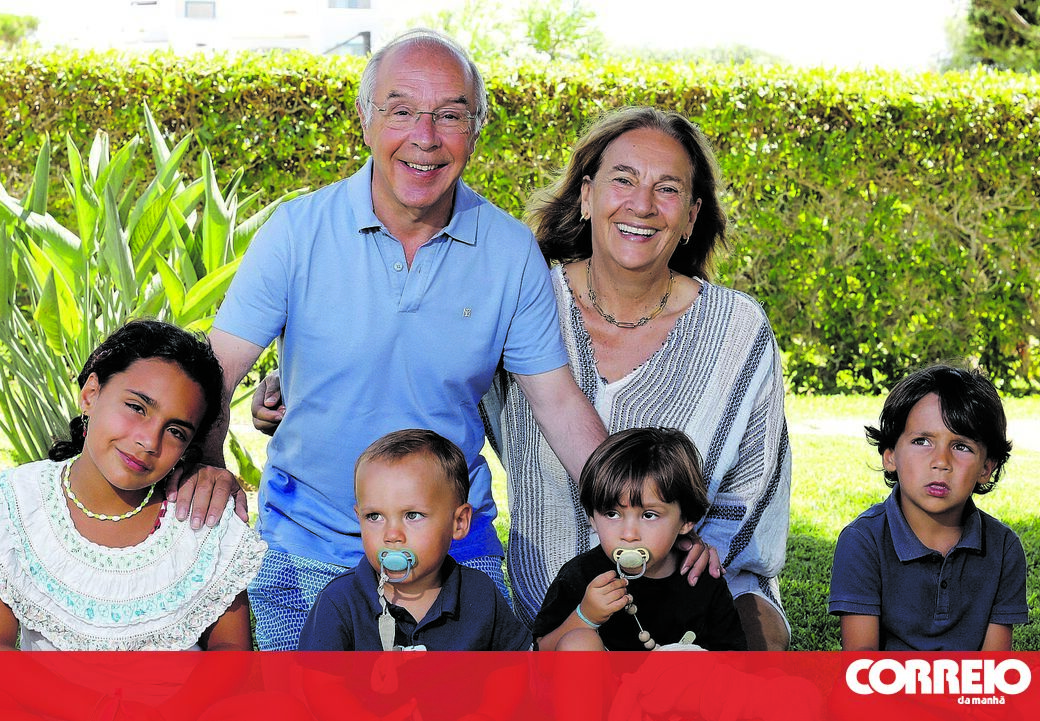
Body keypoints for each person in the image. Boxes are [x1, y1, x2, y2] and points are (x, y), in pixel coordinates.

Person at [207, 29, 606, 650]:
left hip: (453, 552)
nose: (425, 136)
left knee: (479, 697)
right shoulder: (297, 232)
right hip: (306, 548)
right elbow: (215, 373)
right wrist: (208, 468)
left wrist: (634, 511)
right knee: (304, 697)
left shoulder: (509, 251)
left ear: (476, 129)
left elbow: (558, 403)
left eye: (450, 115)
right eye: (401, 111)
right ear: (364, 119)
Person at [476, 106, 791, 650]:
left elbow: (756, 478)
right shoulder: (529, 300)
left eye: (667, 189)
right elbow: (457, 395)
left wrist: (704, 546)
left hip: (693, 583)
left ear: (691, 217)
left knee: (757, 645)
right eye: (623, 179)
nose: (642, 204)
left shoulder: (738, 327)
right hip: (558, 596)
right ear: (586, 195)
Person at [0, 320, 266, 717]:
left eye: (175, 431)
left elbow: (230, 651)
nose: (149, 441)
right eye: (137, 408)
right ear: (91, 394)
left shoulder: (199, 519)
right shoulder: (16, 506)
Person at [828, 364, 1026, 651]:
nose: (941, 461)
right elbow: (861, 662)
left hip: (969, 683)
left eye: (961, 446)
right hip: (884, 681)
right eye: (922, 441)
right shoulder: (862, 541)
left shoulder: (1004, 548)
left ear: (986, 468)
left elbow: (992, 668)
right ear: (890, 456)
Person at [299, 429, 532, 651]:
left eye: (412, 515)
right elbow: (314, 678)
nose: (392, 535)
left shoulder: (479, 594)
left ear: (459, 522)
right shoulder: (339, 603)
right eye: (374, 516)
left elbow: (516, 668)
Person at [534, 427, 746, 651]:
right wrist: (585, 616)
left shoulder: (700, 578)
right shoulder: (582, 575)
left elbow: (734, 658)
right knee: (578, 643)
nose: (628, 534)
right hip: (600, 674)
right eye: (612, 514)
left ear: (686, 520)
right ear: (593, 519)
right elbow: (539, 654)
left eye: (649, 515)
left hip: (681, 675)